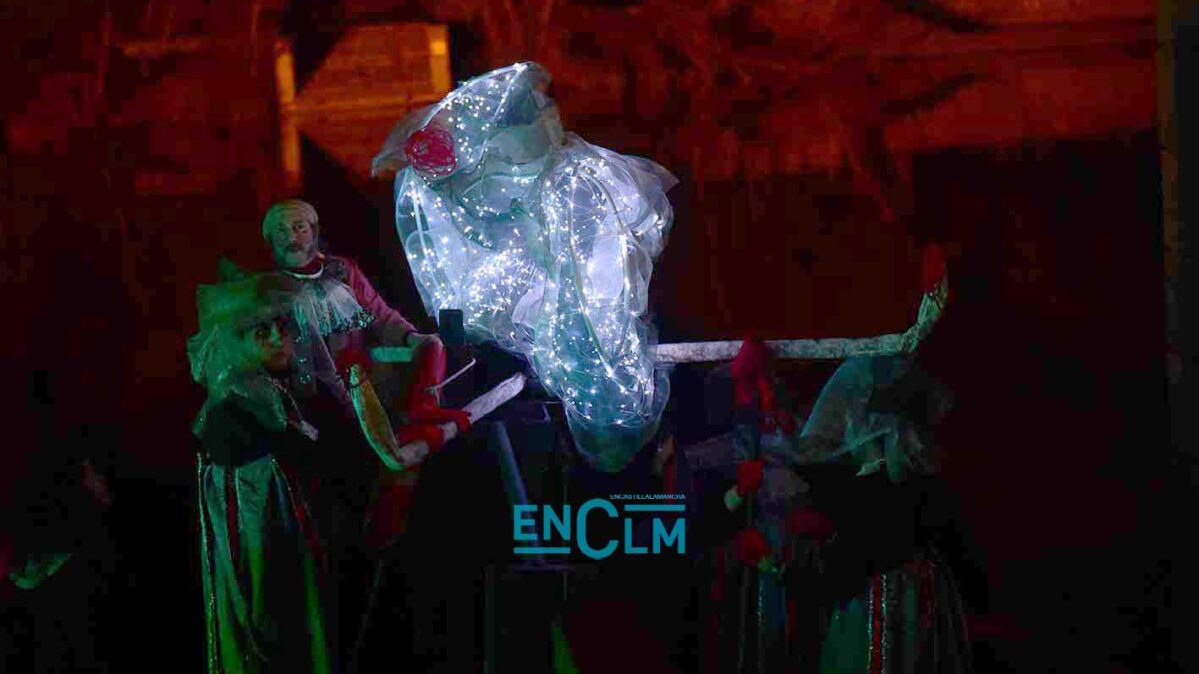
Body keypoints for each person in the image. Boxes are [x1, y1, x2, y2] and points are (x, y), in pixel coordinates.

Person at [189, 272, 379, 673]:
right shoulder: (231, 416)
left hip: (319, 564)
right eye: (261, 330)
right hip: (275, 579)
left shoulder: (290, 391)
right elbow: (252, 535)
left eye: (283, 326)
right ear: (235, 341)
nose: (278, 338)